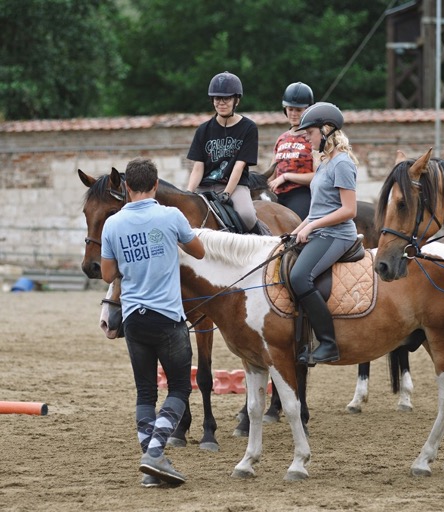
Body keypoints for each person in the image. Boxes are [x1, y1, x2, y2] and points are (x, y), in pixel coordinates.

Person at [101, 157, 205, 487]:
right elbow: (199, 252)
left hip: (133, 318)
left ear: (127, 188)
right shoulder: (170, 215)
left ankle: (153, 463)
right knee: (178, 388)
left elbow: (106, 274)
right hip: (169, 318)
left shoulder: (112, 225)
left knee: (145, 394)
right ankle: (154, 454)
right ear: (156, 185)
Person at [289, 102, 358, 364]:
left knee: (299, 277)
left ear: (326, 130)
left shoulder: (342, 163)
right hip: (320, 232)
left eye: (310, 133)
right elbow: (317, 210)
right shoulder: (324, 163)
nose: (307, 139)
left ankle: (328, 343)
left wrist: (312, 227)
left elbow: (349, 210)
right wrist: (296, 230)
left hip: (338, 235)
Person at [186, 71, 260, 233]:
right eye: (217, 98)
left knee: (247, 216)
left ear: (236, 100)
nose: (221, 102)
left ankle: (264, 240)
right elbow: (198, 168)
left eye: (226, 98)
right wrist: (189, 193)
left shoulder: (248, 128)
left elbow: (239, 166)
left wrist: (227, 192)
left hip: (235, 185)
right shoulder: (203, 130)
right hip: (205, 187)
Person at [267, 82, 317, 220]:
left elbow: (319, 176)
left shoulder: (312, 137)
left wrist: (286, 176)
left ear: (307, 110)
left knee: (295, 230)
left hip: (300, 193)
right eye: (290, 109)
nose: (294, 114)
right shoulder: (281, 139)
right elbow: (272, 173)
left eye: (298, 110)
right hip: (276, 195)